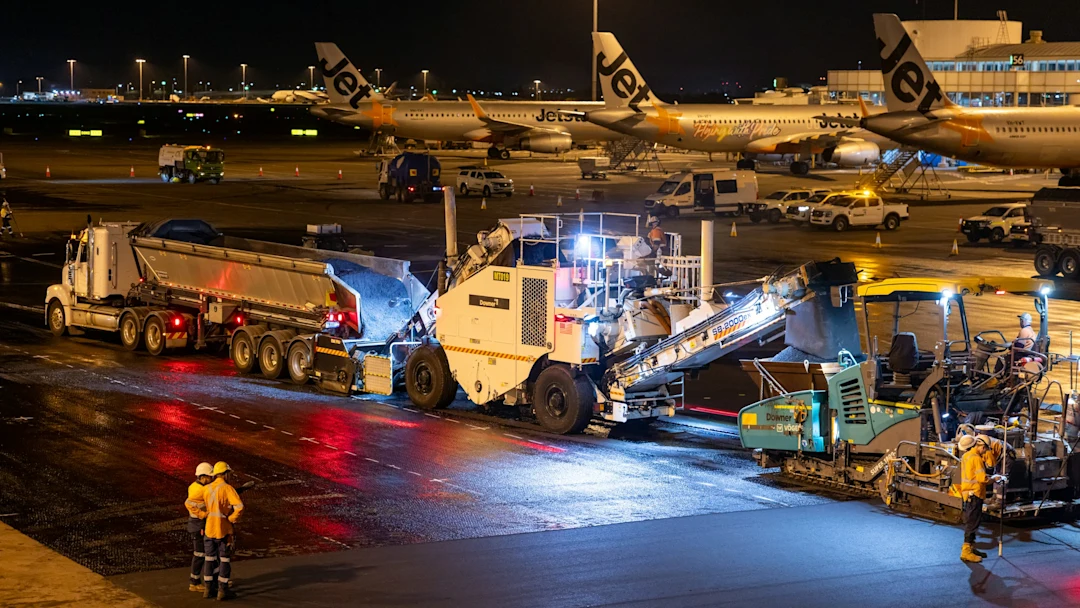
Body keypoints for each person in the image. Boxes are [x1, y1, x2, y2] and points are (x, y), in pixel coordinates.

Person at [957, 435, 1005, 563]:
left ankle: (971, 548)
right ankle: (966, 551)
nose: (985, 452)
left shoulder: (966, 456)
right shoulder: (976, 459)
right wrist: (994, 478)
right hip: (975, 494)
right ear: (982, 447)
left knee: (971, 521)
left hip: (968, 493)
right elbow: (982, 479)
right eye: (986, 449)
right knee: (972, 523)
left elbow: (974, 474)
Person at [202, 461, 244, 600]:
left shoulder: (206, 488)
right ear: (225, 474)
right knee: (224, 560)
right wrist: (231, 519)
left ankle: (207, 589)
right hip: (223, 529)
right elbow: (239, 507)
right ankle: (222, 590)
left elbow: (201, 506)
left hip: (209, 528)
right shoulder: (227, 488)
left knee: (209, 559)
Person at [184, 462, 214, 592]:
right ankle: (195, 582)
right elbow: (189, 503)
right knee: (200, 554)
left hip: (198, 523)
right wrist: (203, 514)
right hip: (198, 524)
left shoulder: (195, 486)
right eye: (209, 477)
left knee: (204, 553)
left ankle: (199, 580)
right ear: (203, 477)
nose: (211, 479)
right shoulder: (199, 490)